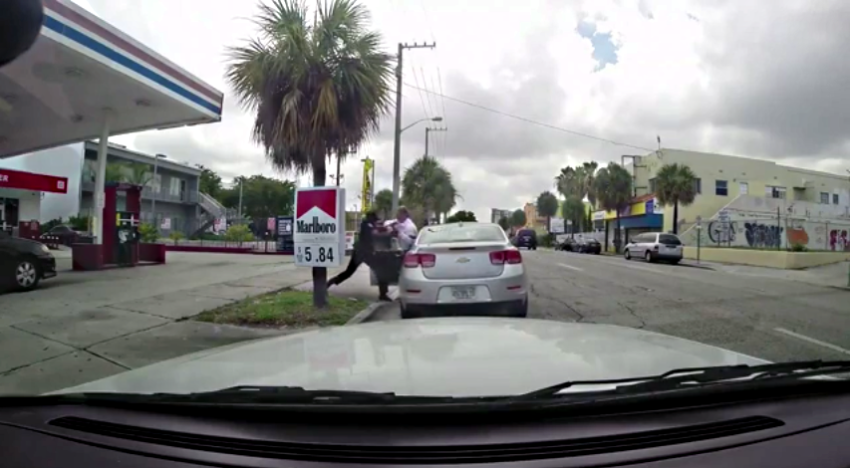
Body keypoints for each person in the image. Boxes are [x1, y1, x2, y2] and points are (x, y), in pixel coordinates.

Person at [328, 211, 392, 301]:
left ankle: (383, 294)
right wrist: (388, 232)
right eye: (375, 220)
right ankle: (329, 283)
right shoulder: (366, 225)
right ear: (371, 218)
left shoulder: (368, 224)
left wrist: (383, 228)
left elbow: (376, 229)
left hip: (363, 252)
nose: (376, 222)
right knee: (351, 272)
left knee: (378, 271)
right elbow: (374, 233)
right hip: (362, 253)